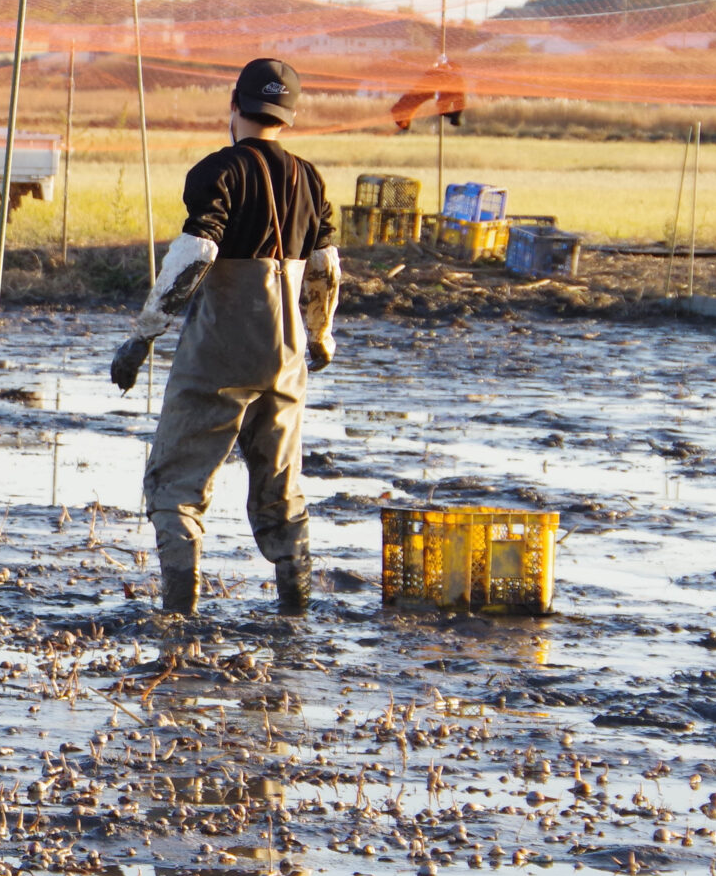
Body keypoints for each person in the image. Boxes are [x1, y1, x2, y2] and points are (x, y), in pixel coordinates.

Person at [108, 57, 340, 617]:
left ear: (234, 108)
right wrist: (319, 336)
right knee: (281, 488)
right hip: (285, 361)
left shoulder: (219, 172)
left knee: (176, 483)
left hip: (217, 357)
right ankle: (296, 609)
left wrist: (143, 338)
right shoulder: (309, 179)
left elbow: (198, 253)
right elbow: (326, 266)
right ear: (288, 118)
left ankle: (179, 615)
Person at [389, 55, 467, 133]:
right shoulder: (439, 73)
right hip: (431, 87)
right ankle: (403, 119)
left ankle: (454, 116)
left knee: (451, 99)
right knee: (416, 97)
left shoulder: (455, 78)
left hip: (439, 88)